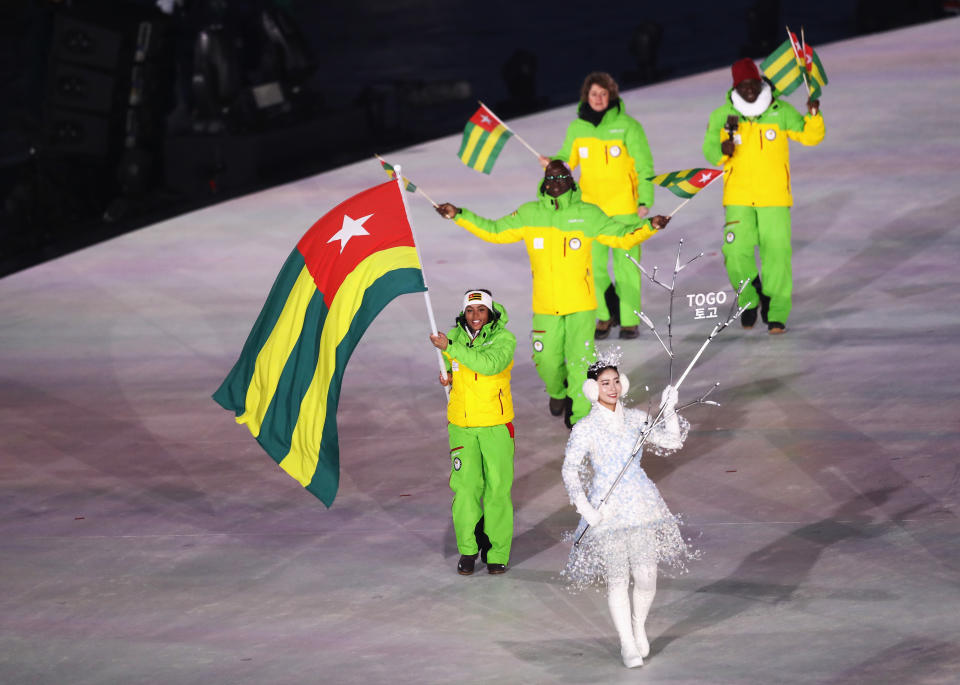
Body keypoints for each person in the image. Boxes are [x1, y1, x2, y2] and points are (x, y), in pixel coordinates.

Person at [435, 160, 670, 426]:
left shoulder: (588, 214)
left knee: (580, 363)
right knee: (546, 360)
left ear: (571, 181)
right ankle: (557, 391)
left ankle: (580, 418)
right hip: (545, 306)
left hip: (581, 304)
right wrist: (459, 214)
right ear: (543, 182)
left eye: (561, 176)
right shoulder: (529, 214)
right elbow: (494, 231)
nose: (555, 181)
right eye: (550, 177)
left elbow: (622, 236)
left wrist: (651, 225)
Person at [561, 361, 694, 668]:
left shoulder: (635, 419)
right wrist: (586, 509)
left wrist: (669, 408)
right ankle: (626, 642)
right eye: (605, 383)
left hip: (641, 504)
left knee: (647, 577)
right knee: (618, 579)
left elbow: (671, 441)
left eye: (615, 381)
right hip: (607, 512)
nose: (612, 388)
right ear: (593, 389)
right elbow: (570, 471)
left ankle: (638, 627)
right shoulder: (586, 428)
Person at [702, 57, 825, 334]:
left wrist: (814, 116)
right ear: (735, 87)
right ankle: (749, 298)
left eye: (752, 83)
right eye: (743, 85)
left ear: (759, 82)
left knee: (777, 255)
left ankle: (776, 311)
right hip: (738, 197)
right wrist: (724, 148)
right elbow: (710, 151)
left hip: (774, 197)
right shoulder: (722, 116)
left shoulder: (779, 111)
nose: (749, 89)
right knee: (734, 253)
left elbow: (810, 136)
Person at [544, 72, 655, 341]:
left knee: (626, 266)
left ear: (611, 96)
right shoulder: (577, 128)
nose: (598, 99)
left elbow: (644, 165)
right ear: (587, 96)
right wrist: (554, 163)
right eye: (594, 94)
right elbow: (567, 159)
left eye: (603, 94)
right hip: (591, 210)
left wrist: (645, 199)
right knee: (593, 267)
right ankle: (604, 316)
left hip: (625, 208)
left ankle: (629, 320)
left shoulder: (629, 126)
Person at [430, 289, 517, 575]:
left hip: (495, 424)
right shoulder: (452, 338)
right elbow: (456, 369)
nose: (476, 316)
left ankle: (497, 552)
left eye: (481, 310)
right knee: (466, 490)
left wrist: (450, 348)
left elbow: (489, 366)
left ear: (491, 312)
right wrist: (449, 376)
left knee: (497, 490)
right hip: (462, 426)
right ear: (463, 313)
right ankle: (468, 550)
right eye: (470, 310)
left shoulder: (504, 339)